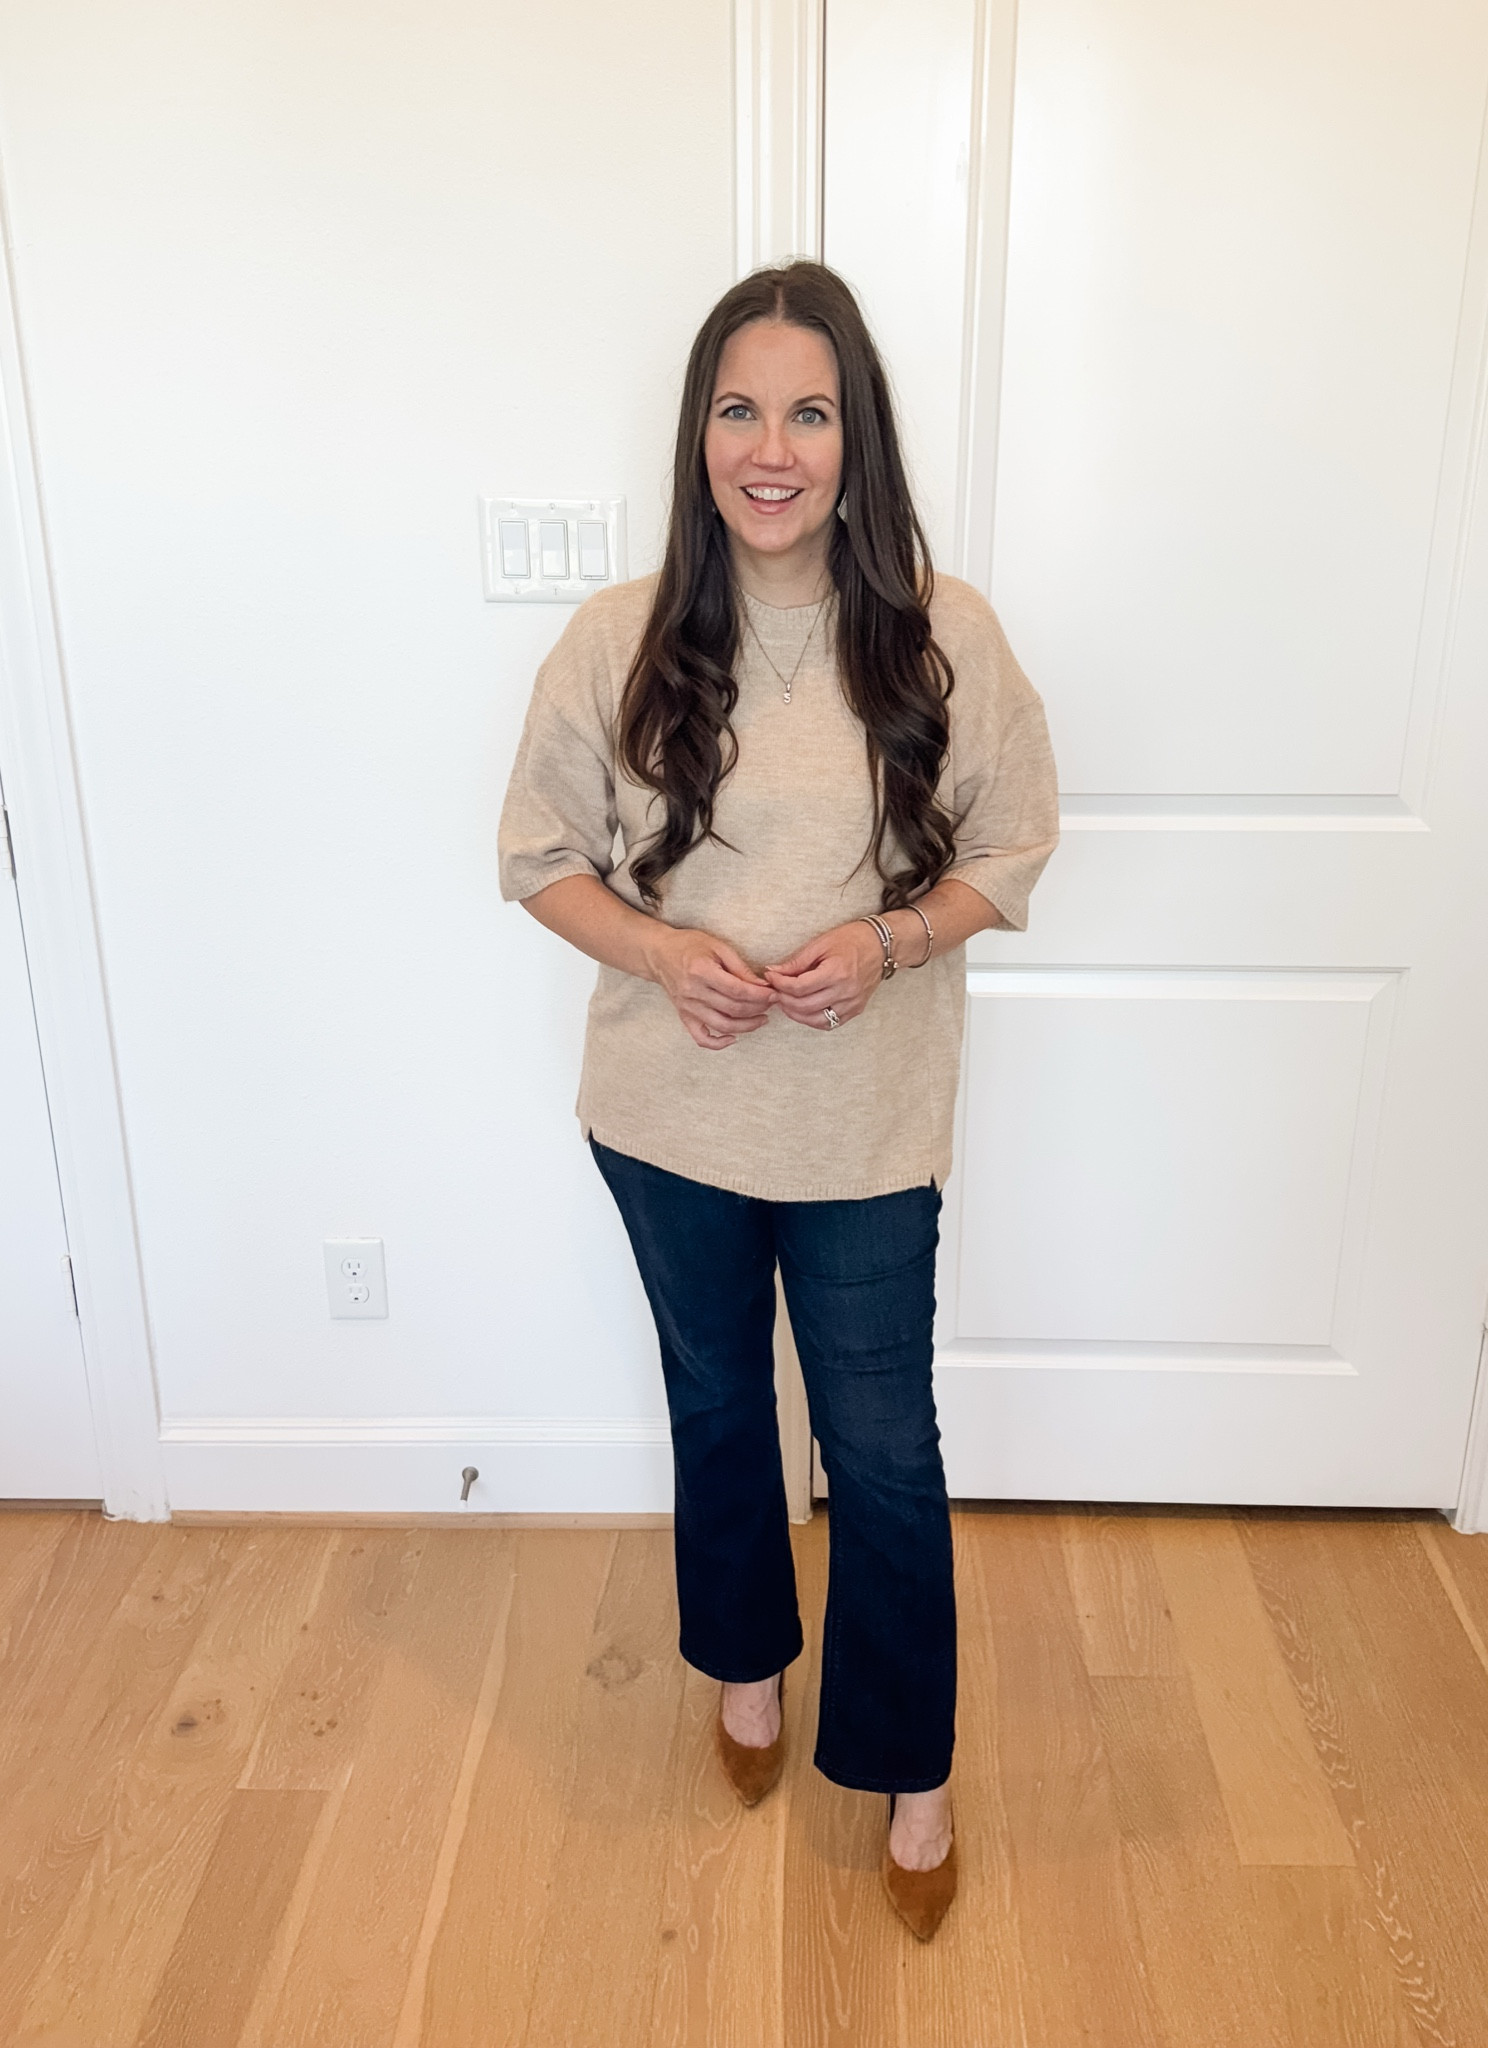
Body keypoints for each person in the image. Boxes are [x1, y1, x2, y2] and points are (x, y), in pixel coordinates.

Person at [497, 261, 1057, 1940]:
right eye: (739, 408)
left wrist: (890, 942)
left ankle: (913, 1756)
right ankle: (745, 1663)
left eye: (807, 411)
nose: (771, 446)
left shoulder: (946, 633)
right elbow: (537, 860)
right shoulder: (621, 637)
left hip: (869, 1129)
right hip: (669, 1121)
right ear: (700, 435)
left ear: (852, 437)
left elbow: (1014, 846)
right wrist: (667, 958)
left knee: (884, 1451)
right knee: (723, 1408)